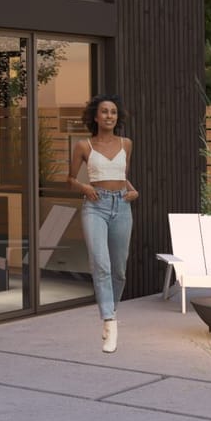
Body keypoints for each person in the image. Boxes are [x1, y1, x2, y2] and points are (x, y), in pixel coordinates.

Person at [68, 95, 135, 352]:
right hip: (95, 207)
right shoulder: (83, 146)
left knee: (119, 270)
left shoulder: (126, 144)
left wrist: (133, 191)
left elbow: (122, 176)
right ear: (95, 117)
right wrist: (84, 187)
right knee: (101, 264)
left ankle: (111, 312)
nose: (109, 116)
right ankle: (109, 321)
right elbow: (70, 179)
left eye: (113, 112)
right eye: (104, 112)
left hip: (122, 206)